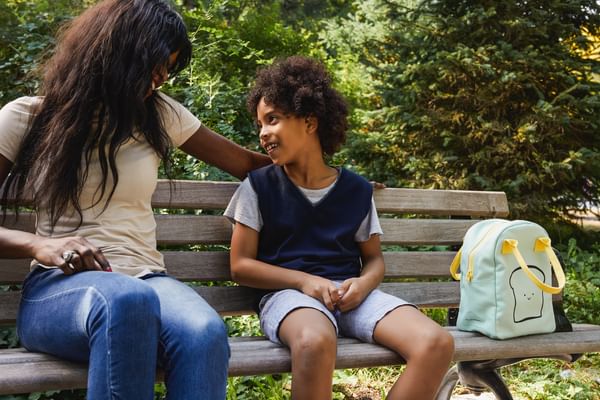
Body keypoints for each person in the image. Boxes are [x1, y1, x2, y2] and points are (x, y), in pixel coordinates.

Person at [0, 1, 270, 399]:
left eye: (169, 69)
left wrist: (336, 182)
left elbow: (248, 164)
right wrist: (42, 244)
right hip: (59, 291)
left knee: (205, 331)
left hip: (147, 279)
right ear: (119, 51)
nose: (161, 79)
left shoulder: (159, 116)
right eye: (156, 64)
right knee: (126, 300)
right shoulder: (26, 117)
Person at [225, 56, 455, 400]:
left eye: (272, 119)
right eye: (259, 123)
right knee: (315, 340)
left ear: (309, 121)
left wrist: (363, 285)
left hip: (351, 297)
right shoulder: (257, 187)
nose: (263, 133)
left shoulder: (356, 190)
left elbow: (374, 260)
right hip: (289, 297)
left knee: (436, 342)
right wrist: (303, 280)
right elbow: (240, 266)